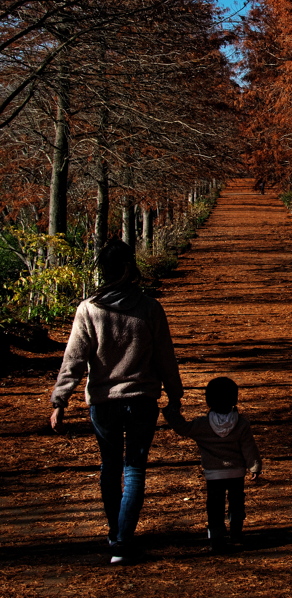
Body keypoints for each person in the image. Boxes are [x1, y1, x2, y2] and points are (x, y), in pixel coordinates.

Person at [50, 238, 183, 564]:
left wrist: (60, 400)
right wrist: (175, 396)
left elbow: (74, 359)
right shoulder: (149, 307)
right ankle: (122, 540)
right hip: (142, 401)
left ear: (103, 270)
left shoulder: (89, 309)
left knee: (110, 467)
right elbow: (166, 358)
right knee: (134, 469)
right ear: (130, 266)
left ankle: (115, 535)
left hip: (104, 403)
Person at [163, 376, 262, 553]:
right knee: (237, 502)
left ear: (208, 400)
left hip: (214, 473)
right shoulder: (241, 424)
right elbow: (249, 447)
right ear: (234, 399)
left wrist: (172, 412)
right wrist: (254, 466)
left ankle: (216, 537)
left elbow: (183, 428)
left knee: (215, 505)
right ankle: (236, 532)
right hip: (236, 472)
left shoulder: (202, 425)